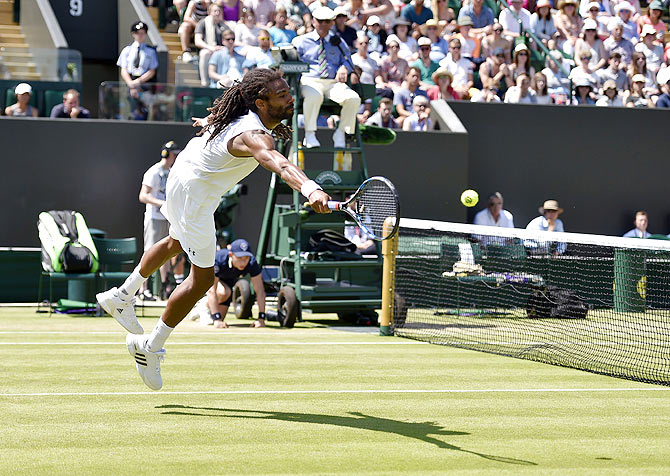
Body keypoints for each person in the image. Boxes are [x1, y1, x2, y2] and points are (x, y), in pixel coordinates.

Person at [96, 68, 332, 391]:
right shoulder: (255, 135)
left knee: (174, 242)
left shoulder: (242, 112)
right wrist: (311, 189)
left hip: (185, 176)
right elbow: (278, 162)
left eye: (288, 92)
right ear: (261, 103)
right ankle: (149, 348)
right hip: (194, 192)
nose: (291, 99)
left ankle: (122, 294)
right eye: (282, 96)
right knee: (202, 279)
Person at [292, 6, 361, 149]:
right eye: (320, 21)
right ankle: (309, 133)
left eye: (327, 21)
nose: (323, 24)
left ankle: (341, 132)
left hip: (332, 83)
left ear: (332, 23)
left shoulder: (338, 41)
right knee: (314, 95)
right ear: (313, 22)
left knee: (353, 99)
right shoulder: (300, 41)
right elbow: (291, 62)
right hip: (309, 80)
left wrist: (343, 68)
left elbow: (348, 61)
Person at [138, 141, 181, 301]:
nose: (176, 157)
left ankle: (165, 288)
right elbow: (143, 195)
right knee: (149, 252)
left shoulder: (171, 171)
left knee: (167, 254)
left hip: (168, 217)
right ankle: (143, 290)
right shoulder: (154, 172)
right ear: (167, 154)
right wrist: (162, 203)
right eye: (174, 154)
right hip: (155, 217)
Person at [204, 239, 267, 328]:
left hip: (229, 284)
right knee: (224, 292)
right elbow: (211, 290)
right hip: (212, 283)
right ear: (231, 255)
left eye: (246, 258)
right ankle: (204, 306)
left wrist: (261, 318)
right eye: (239, 258)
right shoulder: (219, 259)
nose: (243, 262)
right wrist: (216, 319)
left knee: (222, 317)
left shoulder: (252, 263)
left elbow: (260, 290)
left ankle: (208, 309)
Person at [117, 21, 159, 121]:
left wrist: (138, 82)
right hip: (130, 82)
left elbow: (152, 70)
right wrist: (130, 83)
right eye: (137, 33)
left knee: (144, 110)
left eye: (142, 33)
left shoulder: (150, 51)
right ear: (133, 34)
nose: (140, 35)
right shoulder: (127, 50)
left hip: (144, 84)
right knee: (132, 110)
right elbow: (124, 69)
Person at [194, 3, 231, 86]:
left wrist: (221, 47)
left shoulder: (224, 25)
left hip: (222, 50)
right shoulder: (203, 23)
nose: (217, 13)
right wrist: (210, 47)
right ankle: (205, 83)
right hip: (209, 49)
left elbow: (230, 39)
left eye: (219, 11)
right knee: (204, 53)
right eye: (215, 11)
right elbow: (197, 41)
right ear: (209, 12)